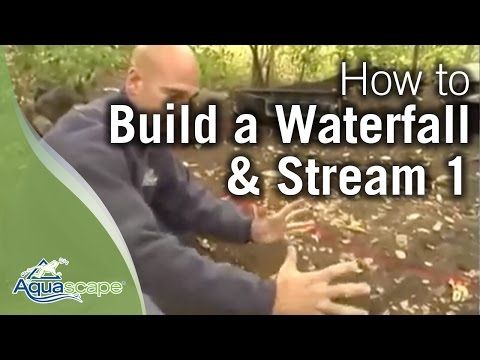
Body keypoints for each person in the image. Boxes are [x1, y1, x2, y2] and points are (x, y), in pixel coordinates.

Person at [43, 45, 371, 315]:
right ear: (134, 82)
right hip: (43, 267)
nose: (180, 111)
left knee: (179, 235)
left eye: (188, 100)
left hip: (99, 243)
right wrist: (269, 298)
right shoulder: (87, 147)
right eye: (172, 96)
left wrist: (251, 229)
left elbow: (184, 196)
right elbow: (138, 256)